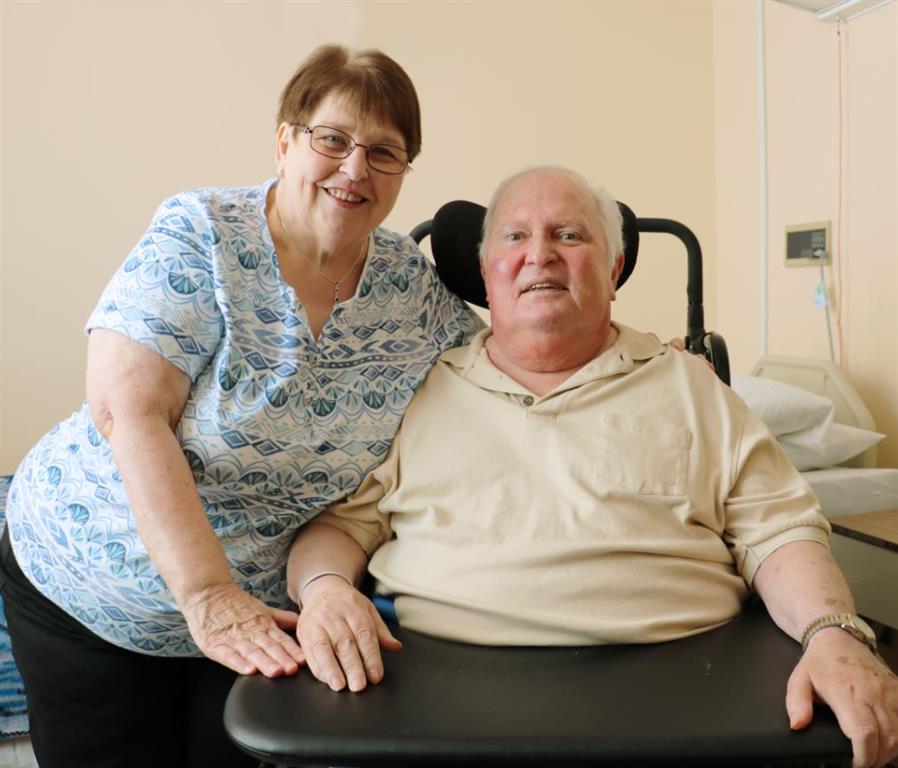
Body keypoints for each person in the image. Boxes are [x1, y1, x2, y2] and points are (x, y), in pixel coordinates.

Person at [289, 167, 898, 768]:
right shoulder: (415, 390)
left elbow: (780, 531)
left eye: (570, 236)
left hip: (683, 692)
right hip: (433, 691)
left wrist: (834, 634)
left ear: (613, 271)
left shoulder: (692, 387)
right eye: (515, 237)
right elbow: (340, 527)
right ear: (484, 272)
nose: (540, 256)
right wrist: (324, 591)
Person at [0, 45, 481, 768]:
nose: (356, 169)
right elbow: (128, 413)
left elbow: (499, 368)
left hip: (260, 608)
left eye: (384, 152)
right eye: (334, 140)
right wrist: (207, 594)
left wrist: (637, 355)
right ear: (286, 141)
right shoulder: (201, 233)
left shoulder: (407, 288)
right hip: (94, 583)